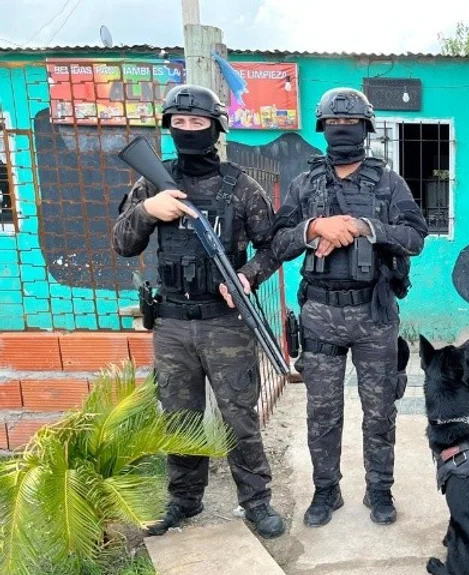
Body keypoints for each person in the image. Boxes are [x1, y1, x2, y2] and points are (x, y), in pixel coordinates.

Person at [112, 84, 285, 539]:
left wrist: (246, 276)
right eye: (180, 122)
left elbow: (273, 248)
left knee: (239, 416)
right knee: (179, 417)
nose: (188, 129)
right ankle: (185, 500)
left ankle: (257, 501)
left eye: (198, 122)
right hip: (172, 323)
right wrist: (148, 210)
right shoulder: (152, 183)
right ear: (169, 126)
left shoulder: (241, 187)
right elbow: (123, 243)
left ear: (216, 127)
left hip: (225, 323)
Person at [270, 87, 428, 527]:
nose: (342, 129)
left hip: (374, 314)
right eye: (335, 123)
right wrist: (313, 227)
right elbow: (278, 242)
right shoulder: (305, 185)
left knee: (380, 410)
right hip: (321, 313)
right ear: (323, 127)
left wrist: (365, 227)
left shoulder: (388, 183)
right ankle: (326, 491)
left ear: (365, 128)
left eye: (351, 123)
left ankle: (379, 490)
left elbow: (415, 237)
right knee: (322, 412)